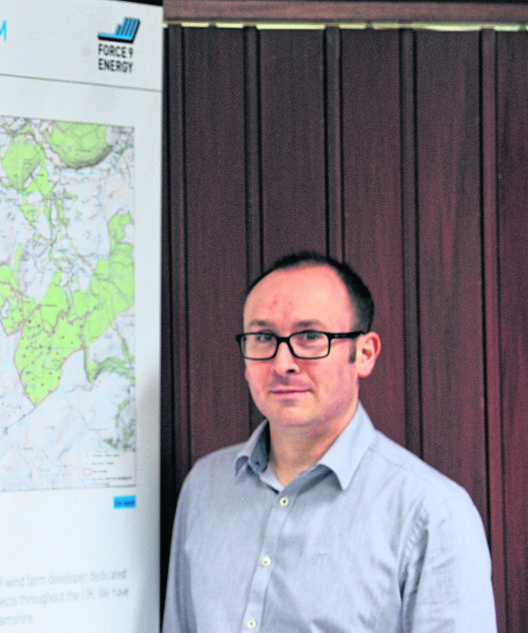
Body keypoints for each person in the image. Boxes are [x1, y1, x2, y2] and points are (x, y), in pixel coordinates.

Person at [163, 251, 496, 633]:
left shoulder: (432, 512)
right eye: (263, 337)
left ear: (365, 354)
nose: (283, 362)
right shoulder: (206, 486)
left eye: (310, 337)